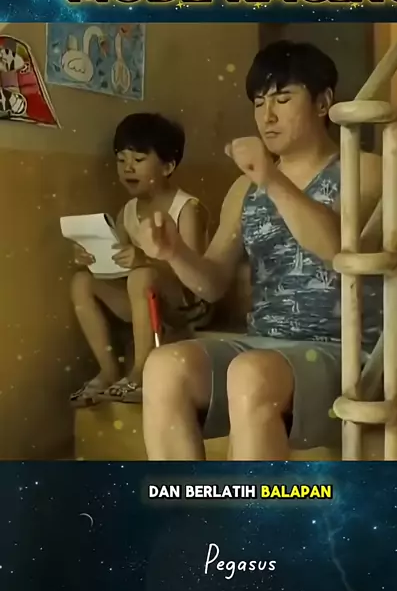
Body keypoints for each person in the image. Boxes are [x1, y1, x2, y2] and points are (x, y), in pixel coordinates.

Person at [138, 41, 384, 460]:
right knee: (162, 368)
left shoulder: (365, 169)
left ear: (323, 102)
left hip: (342, 350)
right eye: (258, 103)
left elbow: (336, 248)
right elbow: (213, 283)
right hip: (262, 345)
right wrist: (174, 252)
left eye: (283, 99)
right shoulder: (244, 189)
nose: (267, 116)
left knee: (251, 374)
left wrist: (272, 180)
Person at [69, 112, 209, 407]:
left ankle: (141, 371)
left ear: (168, 166)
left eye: (139, 159)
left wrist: (144, 260)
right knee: (82, 281)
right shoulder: (127, 211)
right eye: (121, 160)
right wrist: (94, 259)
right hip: (143, 299)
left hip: (185, 307)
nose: (127, 168)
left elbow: (195, 279)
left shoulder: (187, 208)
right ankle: (109, 370)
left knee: (141, 275)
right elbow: (120, 265)